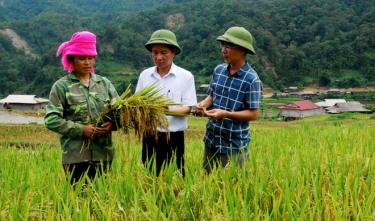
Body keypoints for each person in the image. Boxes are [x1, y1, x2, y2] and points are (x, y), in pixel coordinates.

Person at [44, 31, 119, 184]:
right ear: (72, 59)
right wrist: (81, 130)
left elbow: (120, 112)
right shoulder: (62, 86)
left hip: (103, 154)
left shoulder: (104, 84)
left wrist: (112, 125)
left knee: (103, 201)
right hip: (75, 157)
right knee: (78, 203)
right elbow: (51, 120)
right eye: (82, 58)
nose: (87, 62)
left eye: (90, 58)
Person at [196, 26, 263, 174]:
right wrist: (203, 104)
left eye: (229, 46)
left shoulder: (251, 80)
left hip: (234, 145)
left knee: (231, 190)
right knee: (208, 184)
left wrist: (226, 114)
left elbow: (254, 114)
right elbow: (212, 96)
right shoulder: (218, 70)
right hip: (212, 140)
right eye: (223, 46)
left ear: (242, 49)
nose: (224, 50)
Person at [136, 29, 197, 177]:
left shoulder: (185, 76)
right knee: (150, 178)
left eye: (164, 53)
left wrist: (166, 110)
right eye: (155, 53)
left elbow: (188, 108)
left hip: (174, 137)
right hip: (150, 136)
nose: (159, 57)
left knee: (175, 179)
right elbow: (137, 104)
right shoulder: (145, 75)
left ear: (173, 52)